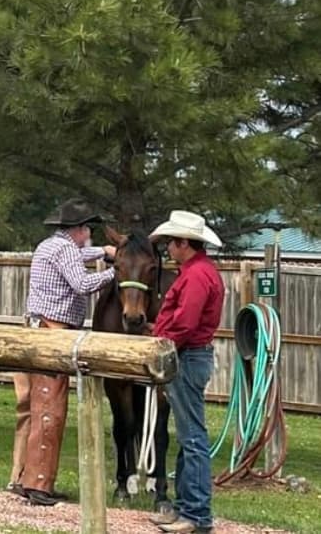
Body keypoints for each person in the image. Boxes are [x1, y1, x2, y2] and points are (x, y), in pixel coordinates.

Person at [12, 198, 116, 506]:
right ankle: (39, 485)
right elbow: (82, 283)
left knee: (32, 407)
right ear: (78, 230)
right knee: (50, 408)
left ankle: (22, 477)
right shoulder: (67, 250)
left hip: (38, 328)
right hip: (52, 331)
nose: (89, 234)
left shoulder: (51, 246)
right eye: (87, 228)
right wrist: (116, 272)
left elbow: (81, 255)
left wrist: (105, 252)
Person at [148, 210, 225, 534]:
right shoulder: (201, 271)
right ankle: (185, 508)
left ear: (184, 243)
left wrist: (160, 346)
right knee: (189, 435)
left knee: (192, 437)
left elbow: (184, 322)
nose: (167, 248)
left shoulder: (195, 276)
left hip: (187, 357)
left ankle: (196, 515)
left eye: (170, 243)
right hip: (192, 355)